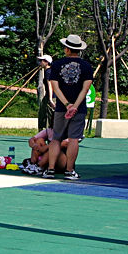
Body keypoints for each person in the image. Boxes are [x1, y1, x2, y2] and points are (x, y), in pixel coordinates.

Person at [44, 35, 93, 181]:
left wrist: (66, 105)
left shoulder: (57, 65)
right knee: (73, 139)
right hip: (79, 108)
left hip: (61, 108)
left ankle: (50, 169)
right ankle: (69, 170)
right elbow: (85, 89)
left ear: (67, 48)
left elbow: (55, 87)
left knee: (56, 138)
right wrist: (75, 106)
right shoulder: (86, 66)